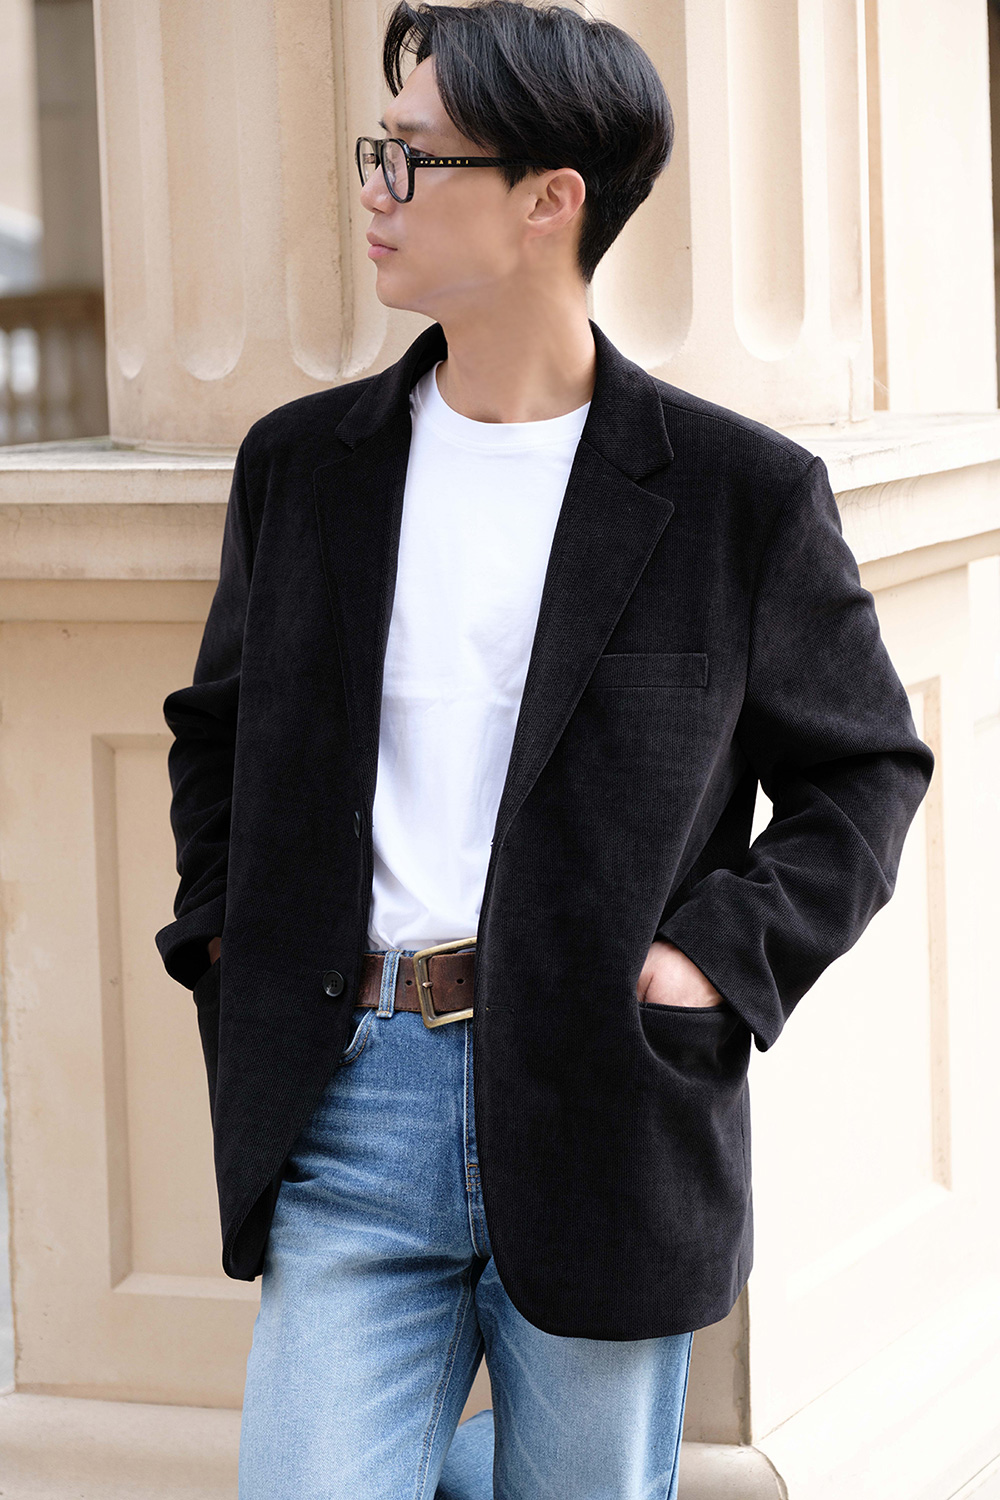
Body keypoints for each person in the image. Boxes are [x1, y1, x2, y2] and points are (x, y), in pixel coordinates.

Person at [155, 3, 934, 1496]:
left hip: (603, 1094)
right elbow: (221, 736)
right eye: (377, 148)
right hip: (347, 1096)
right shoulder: (302, 471)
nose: (374, 186)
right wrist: (227, 939)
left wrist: (711, 962)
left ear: (547, 199)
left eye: (415, 155)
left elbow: (865, 771)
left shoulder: (737, 494)